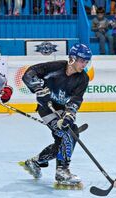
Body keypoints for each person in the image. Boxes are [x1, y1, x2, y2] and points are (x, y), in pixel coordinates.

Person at [20, 43, 92, 189]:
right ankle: (62, 171)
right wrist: (37, 87)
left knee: (64, 140)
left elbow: (76, 99)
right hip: (46, 108)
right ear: (72, 59)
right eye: (82, 60)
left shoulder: (83, 79)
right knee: (68, 134)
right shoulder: (55, 67)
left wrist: (69, 115)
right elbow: (29, 73)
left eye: (86, 61)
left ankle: (35, 162)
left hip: (62, 109)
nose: (84, 64)